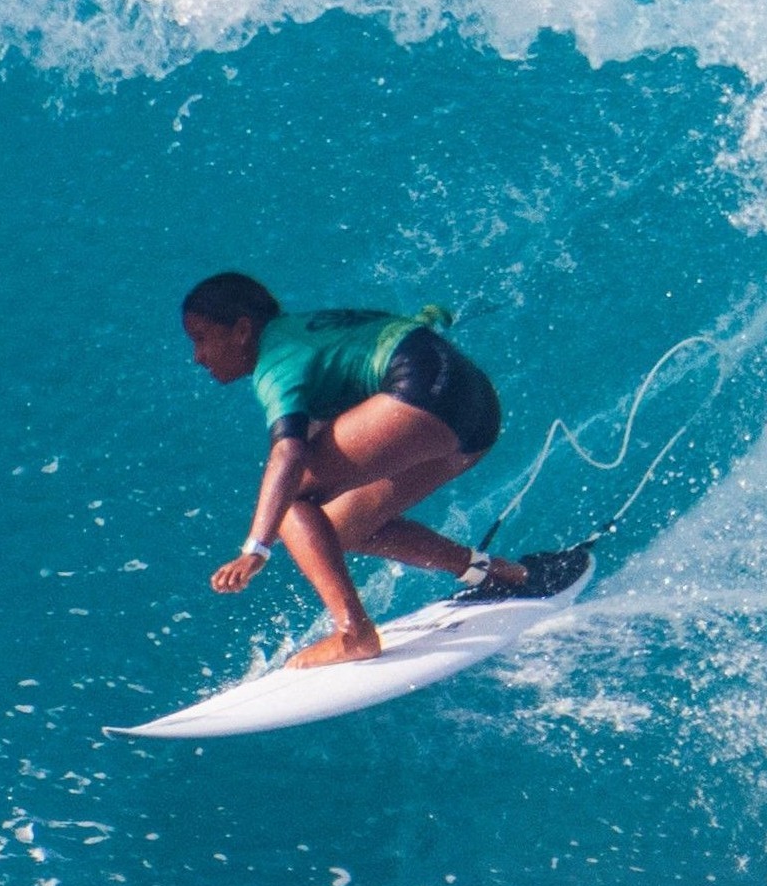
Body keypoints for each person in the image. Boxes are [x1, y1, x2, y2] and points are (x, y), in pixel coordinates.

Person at [181, 273, 584, 666]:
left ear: (241, 330)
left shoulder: (276, 363)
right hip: (477, 411)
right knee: (337, 529)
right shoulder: (314, 326)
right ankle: (495, 574)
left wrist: (256, 549)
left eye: (201, 339)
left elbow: (288, 454)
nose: (198, 357)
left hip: (426, 400)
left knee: (290, 496)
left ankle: (354, 632)